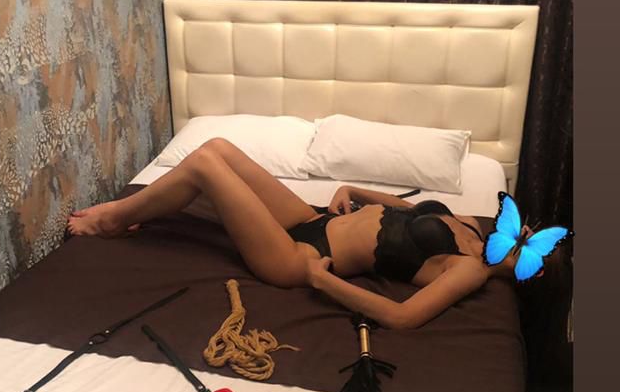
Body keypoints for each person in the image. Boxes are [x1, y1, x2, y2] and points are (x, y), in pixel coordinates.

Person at [67, 138, 530, 330]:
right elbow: (407, 210)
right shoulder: (475, 228)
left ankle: (113, 220)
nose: (523, 238)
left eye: (530, 251)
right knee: (217, 147)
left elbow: (402, 317)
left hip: (298, 257)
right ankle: (128, 211)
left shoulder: (472, 270)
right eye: (528, 235)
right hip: (314, 221)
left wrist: (322, 281)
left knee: (206, 167)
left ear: (528, 272)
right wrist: (351, 189)